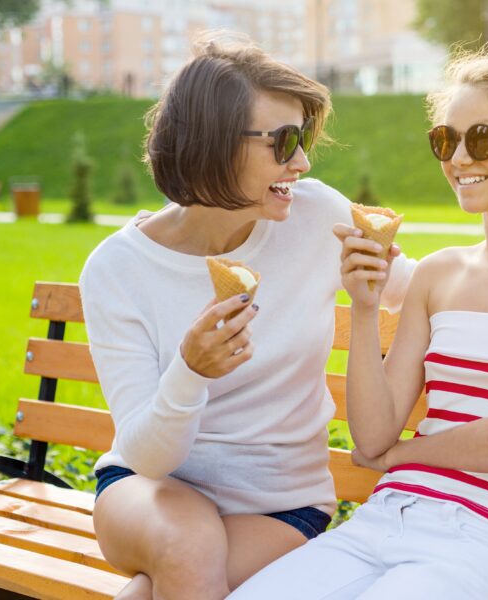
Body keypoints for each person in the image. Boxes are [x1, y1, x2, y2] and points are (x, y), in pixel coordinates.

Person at [228, 45, 488, 600]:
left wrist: (396, 458)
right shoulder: (438, 273)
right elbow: (372, 432)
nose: (460, 157)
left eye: (482, 137)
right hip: (382, 520)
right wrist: (365, 308)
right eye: (446, 139)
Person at [79, 35, 414, 600]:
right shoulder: (117, 269)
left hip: (282, 505)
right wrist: (189, 372)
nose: (302, 162)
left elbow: (415, 291)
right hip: (148, 492)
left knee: (160, 584)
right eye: (283, 142)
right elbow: (147, 455)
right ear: (211, 144)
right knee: (188, 545)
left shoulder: (317, 217)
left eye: (303, 138)